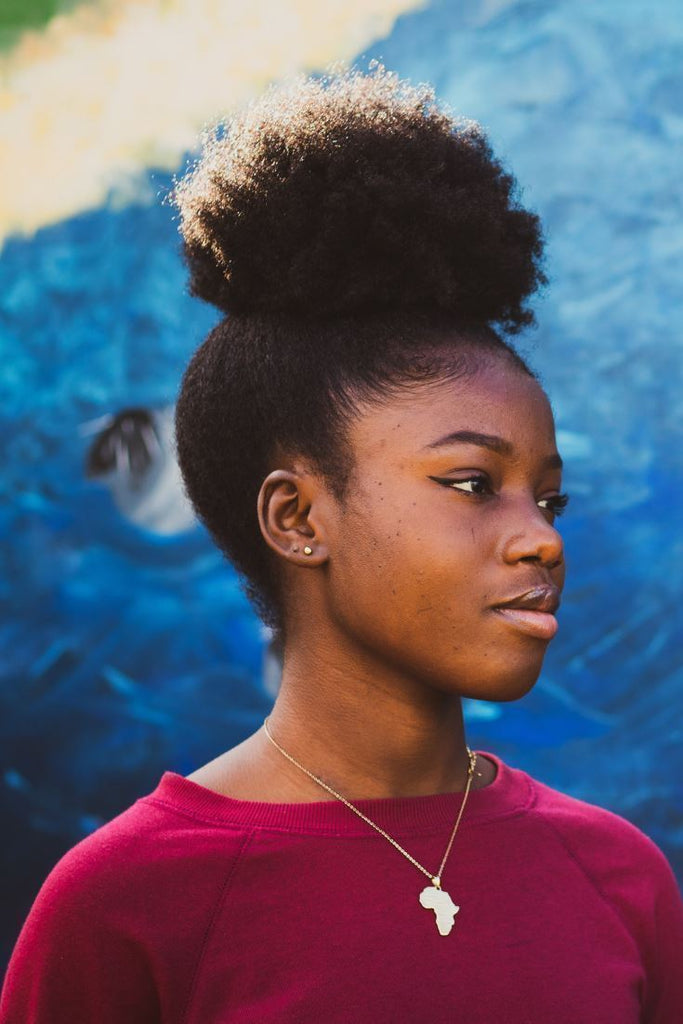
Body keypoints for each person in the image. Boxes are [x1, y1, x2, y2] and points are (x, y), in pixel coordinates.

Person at [2, 65, 682, 1024]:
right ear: (296, 519)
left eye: (549, 497)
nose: (539, 540)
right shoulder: (123, 910)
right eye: (471, 484)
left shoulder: (620, 877)